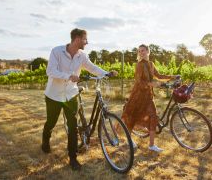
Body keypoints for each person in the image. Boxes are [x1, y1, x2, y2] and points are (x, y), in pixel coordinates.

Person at [41, 28, 117, 170]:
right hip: (54, 95)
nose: (86, 42)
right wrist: (69, 75)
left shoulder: (82, 55)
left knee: (73, 127)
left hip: (71, 95)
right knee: (51, 122)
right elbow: (50, 71)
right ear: (76, 39)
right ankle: (45, 141)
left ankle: (73, 158)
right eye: (84, 39)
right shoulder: (56, 51)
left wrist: (106, 73)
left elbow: (92, 67)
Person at [121, 44, 178, 152]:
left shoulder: (151, 64)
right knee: (132, 117)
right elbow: (138, 81)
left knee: (153, 117)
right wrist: (150, 84)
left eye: (143, 50)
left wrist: (172, 77)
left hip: (148, 96)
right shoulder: (139, 65)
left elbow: (159, 75)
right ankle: (129, 140)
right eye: (139, 51)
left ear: (148, 51)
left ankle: (151, 145)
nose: (141, 53)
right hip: (138, 95)